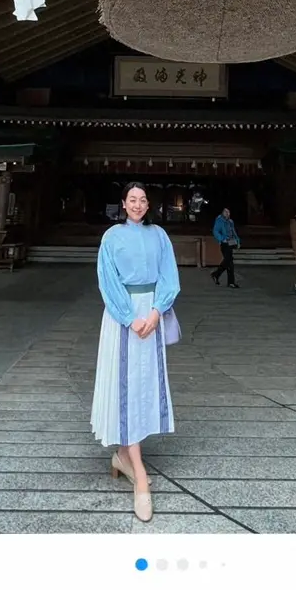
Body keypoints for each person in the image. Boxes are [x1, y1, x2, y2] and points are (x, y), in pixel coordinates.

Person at [91, 182, 180, 523]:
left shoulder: (159, 235)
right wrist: (130, 318)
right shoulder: (111, 237)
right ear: (123, 204)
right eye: (133, 200)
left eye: (144, 200)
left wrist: (157, 312)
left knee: (144, 382)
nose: (139, 205)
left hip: (153, 311)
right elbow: (107, 279)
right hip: (122, 314)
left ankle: (125, 457)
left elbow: (169, 276)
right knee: (124, 381)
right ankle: (139, 474)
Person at [212, 206, 241, 288]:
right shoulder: (219, 221)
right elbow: (215, 231)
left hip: (231, 242)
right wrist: (222, 239)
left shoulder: (231, 222)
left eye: (228, 212)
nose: (227, 213)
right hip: (225, 243)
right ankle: (220, 276)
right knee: (229, 261)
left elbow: (233, 232)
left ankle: (217, 275)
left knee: (229, 262)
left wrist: (238, 241)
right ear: (222, 212)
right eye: (225, 212)